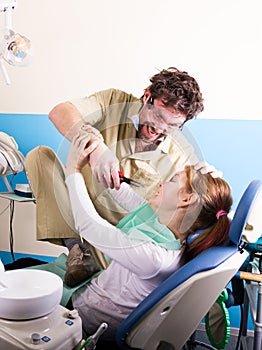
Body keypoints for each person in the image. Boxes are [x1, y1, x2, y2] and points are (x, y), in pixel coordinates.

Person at [25, 66, 221, 283]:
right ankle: (77, 251)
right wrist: (95, 145)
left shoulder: (179, 153)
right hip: (76, 211)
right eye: (158, 116)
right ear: (147, 96)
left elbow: (199, 208)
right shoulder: (114, 101)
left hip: (122, 240)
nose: (160, 128)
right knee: (39, 156)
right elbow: (59, 112)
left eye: (173, 125)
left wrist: (211, 182)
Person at [64, 131, 232, 341]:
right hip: (91, 293)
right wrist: (100, 162)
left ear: (186, 199)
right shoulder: (169, 232)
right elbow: (123, 193)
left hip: (86, 320)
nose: (162, 183)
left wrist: (73, 169)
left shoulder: (155, 258)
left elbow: (87, 224)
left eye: (172, 180)